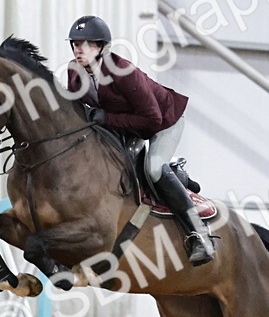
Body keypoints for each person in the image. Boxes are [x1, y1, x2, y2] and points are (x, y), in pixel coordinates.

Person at [64, 14, 215, 267]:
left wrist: (107, 118)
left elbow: (152, 119)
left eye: (87, 44)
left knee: (154, 168)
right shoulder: (74, 71)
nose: (79, 49)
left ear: (102, 47)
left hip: (164, 121)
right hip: (126, 125)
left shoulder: (123, 73)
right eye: (76, 44)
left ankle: (199, 234)